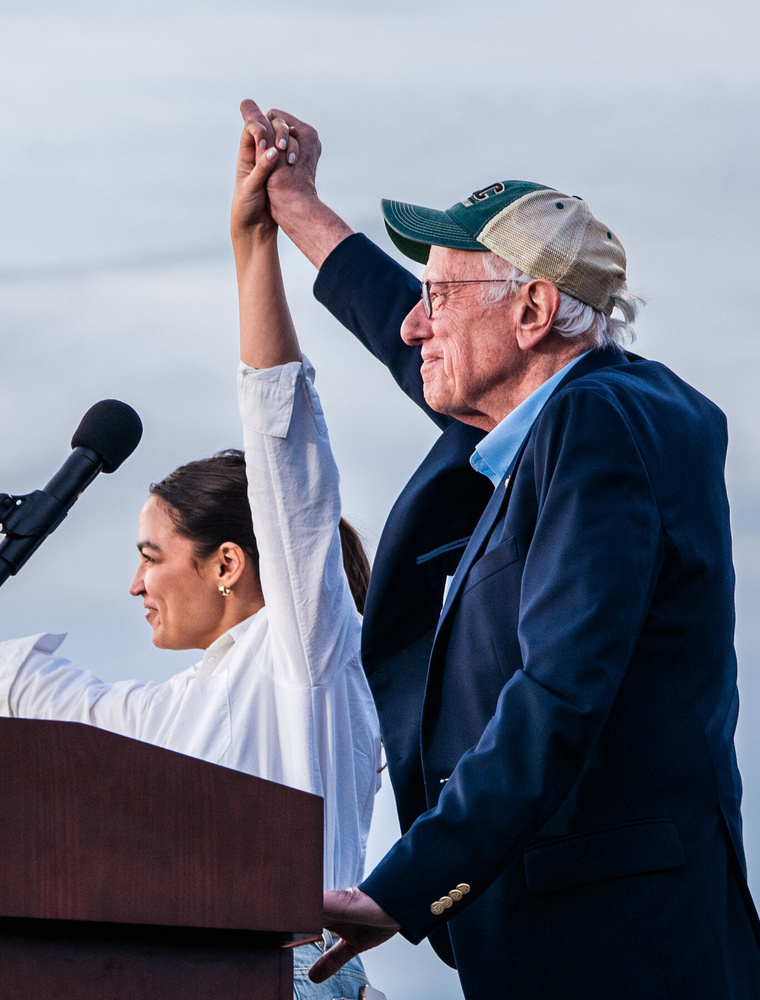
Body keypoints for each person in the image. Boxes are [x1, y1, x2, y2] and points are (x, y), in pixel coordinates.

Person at [238, 101, 760, 999]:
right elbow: (406, 336)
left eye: (436, 297)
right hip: (565, 937)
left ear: (533, 310)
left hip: (622, 953)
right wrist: (297, 209)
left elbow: (558, 690)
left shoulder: (601, 422)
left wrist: (401, 887)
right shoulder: (565, 415)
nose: (415, 324)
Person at [0, 115, 380, 1000]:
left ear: (228, 563)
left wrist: (254, 245)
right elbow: (66, 703)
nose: (136, 583)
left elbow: (286, 451)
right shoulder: (172, 715)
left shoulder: (303, 653)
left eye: (153, 556)